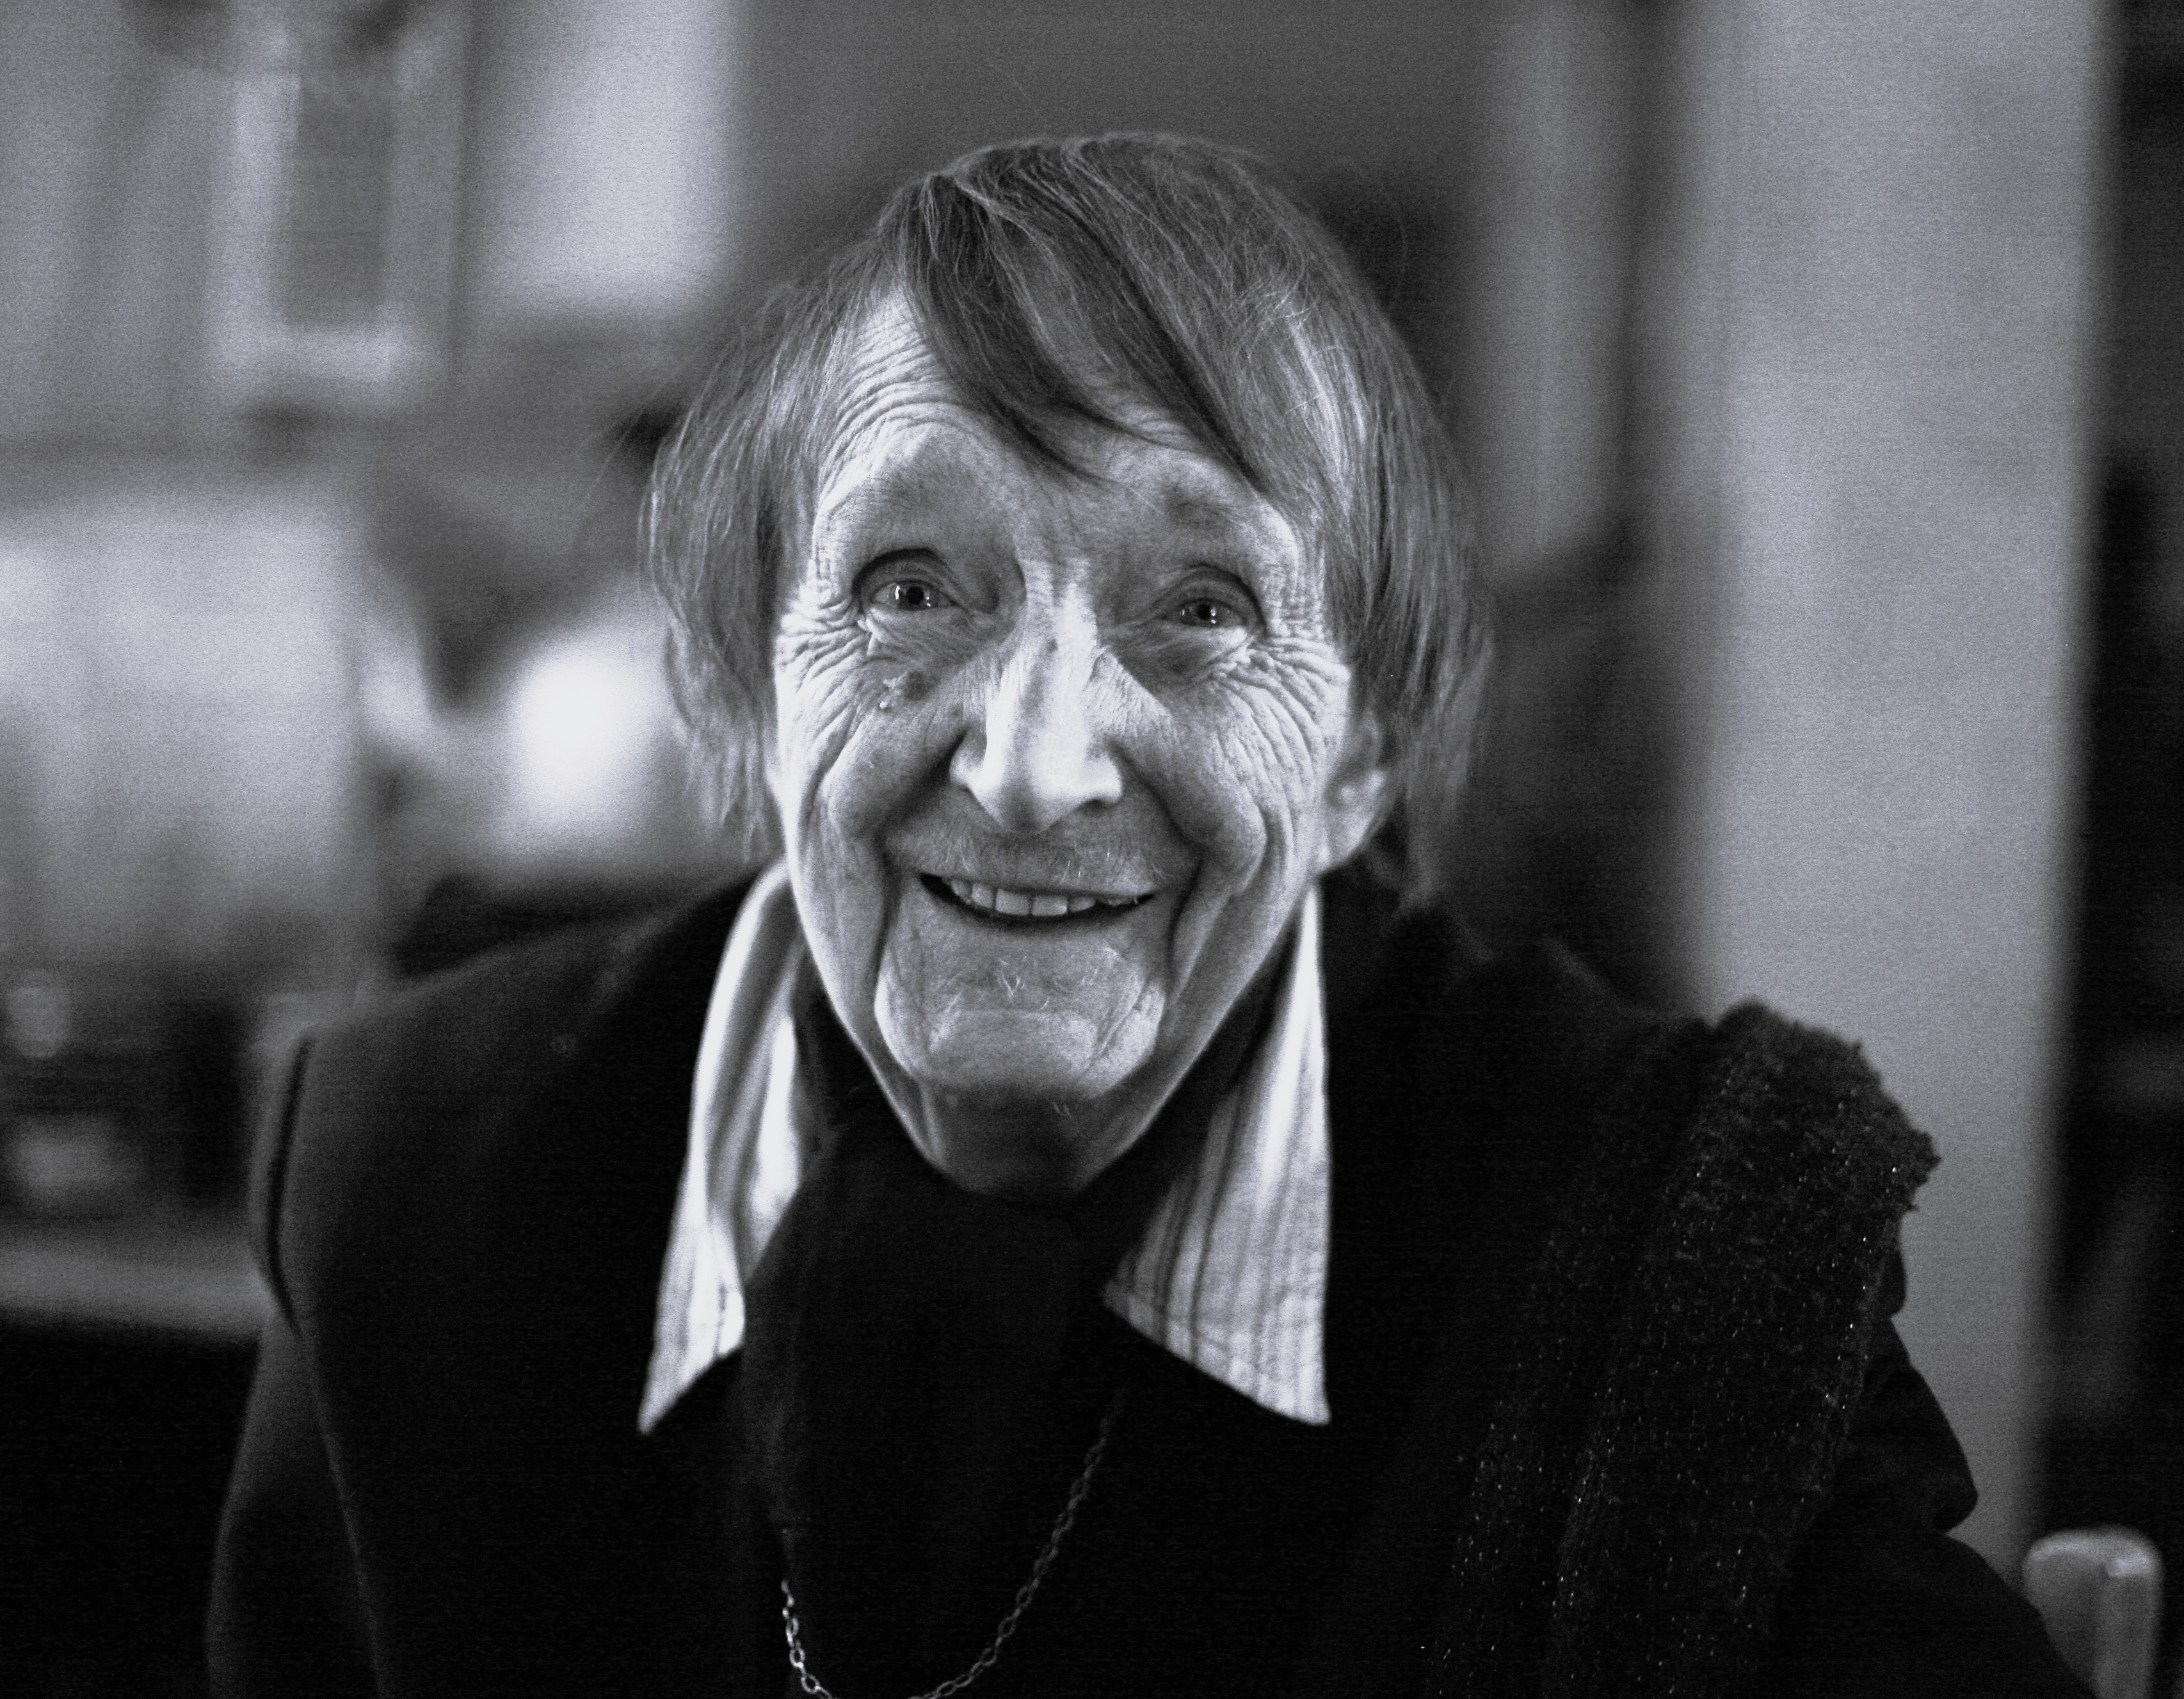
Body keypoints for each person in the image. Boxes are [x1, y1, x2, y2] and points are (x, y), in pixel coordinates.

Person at [207, 135, 2087, 1699]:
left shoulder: (1677, 1255)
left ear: (1359, 758)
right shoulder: (413, 1184)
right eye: (912, 587)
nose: (1034, 769)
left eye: (1201, 611)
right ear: (739, 682)